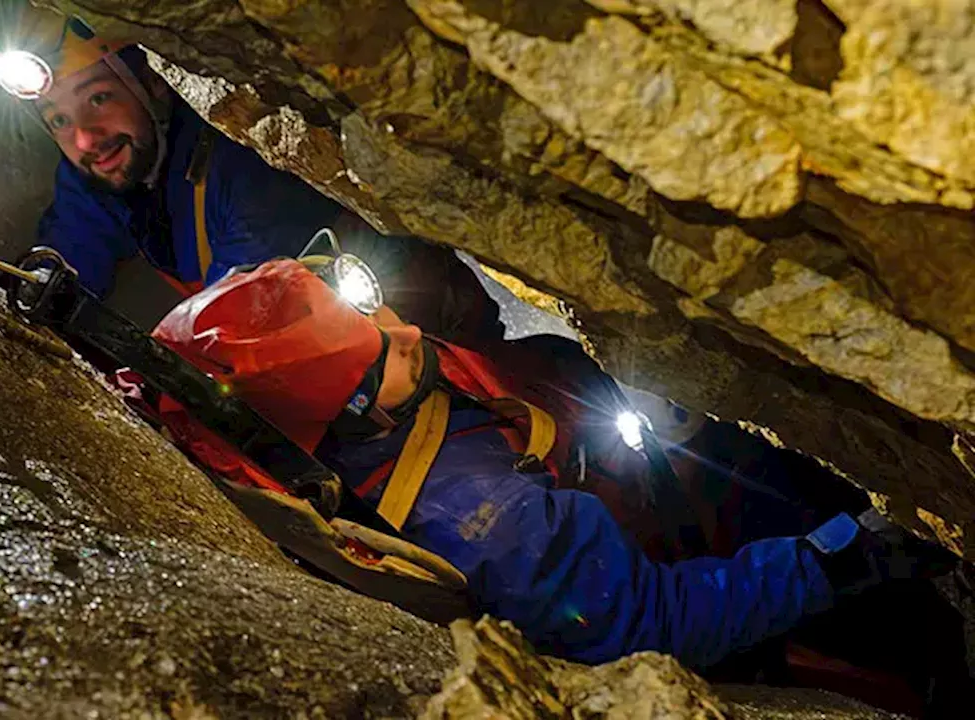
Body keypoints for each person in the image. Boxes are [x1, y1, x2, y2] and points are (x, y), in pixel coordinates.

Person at [150, 259, 966, 711]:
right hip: (675, 531)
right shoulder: (487, 524)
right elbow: (654, 620)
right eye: (388, 351)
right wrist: (841, 558)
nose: (402, 329)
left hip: (619, 433)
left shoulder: (307, 393)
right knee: (886, 634)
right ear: (355, 414)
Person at [3, 6, 503, 342]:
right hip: (338, 369)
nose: (85, 137)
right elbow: (75, 237)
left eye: (99, 98)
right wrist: (41, 285)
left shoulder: (240, 164)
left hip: (431, 345)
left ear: (153, 84)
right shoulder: (112, 164)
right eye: (58, 120)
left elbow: (238, 323)